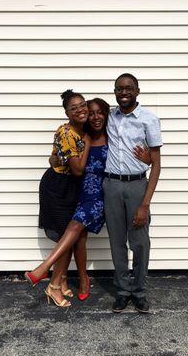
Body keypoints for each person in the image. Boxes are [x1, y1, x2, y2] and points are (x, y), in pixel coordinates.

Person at [25, 96, 150, 308]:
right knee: (78, 237)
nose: (95, 116)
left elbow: (135, 157)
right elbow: (59, 157)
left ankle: (45, 268)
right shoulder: (81, 136)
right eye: (90, 113)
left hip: (101, 193)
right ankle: (80, 279)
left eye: (99, 112)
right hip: (78, 191)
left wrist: (147, 159)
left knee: (75, 227)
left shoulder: (113, 137)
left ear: (106, 114)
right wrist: (53, 159)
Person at [26, 89, 92, 308]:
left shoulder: (82, 130)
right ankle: (53, 287)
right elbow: (78, 170)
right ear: (67, 113)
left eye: (82, 105)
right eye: (74, 108)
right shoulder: (67, 133)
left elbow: (53, 158)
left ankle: (61, 280)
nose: (80, 110)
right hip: (58, 188)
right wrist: (90, 142)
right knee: (65, 238)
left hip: (70, 188)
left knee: (69, 237)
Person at [103, 73, 163, 314]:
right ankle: (122, 291)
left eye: (129, 88)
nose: (124, 92)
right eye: (119, 89)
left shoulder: (149, 119)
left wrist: (145, 204)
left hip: (137, 186)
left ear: (138, 91)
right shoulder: (108, 116)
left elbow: (156, 164)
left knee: (139, 243)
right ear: (115, 92)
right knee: (117, 241)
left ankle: (139, 291)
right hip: (112, 185)